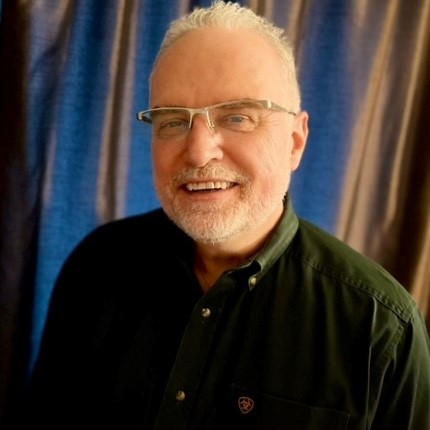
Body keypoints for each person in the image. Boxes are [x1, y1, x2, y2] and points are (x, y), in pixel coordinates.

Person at [13, 1, 430, 429]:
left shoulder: (381, 328)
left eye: (237, 117)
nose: (198, 152)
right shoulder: (98, 266)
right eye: (173, 121)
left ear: (295, 141)